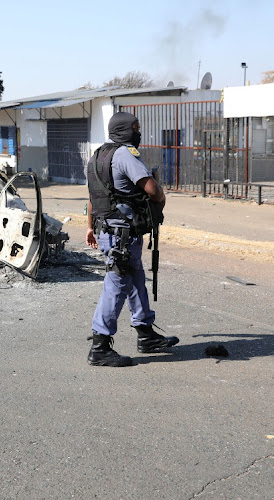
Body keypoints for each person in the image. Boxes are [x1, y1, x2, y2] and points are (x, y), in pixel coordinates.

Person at [85, 112, 178, 367]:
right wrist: (161, 196)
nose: (138, 132)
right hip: (121, 236)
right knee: (115, 286)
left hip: (107, 230)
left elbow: (94, 197)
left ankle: (146, 334)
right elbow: (150, 188)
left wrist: (90, 227)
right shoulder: (125, 154)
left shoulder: (97, 155)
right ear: (124, 130)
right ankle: (100, 346)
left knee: (136, 281)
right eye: (135, 128)